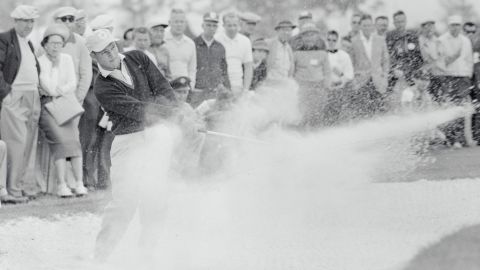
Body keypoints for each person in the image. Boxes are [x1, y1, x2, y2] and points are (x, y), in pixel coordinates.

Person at [86, 29, 179, 261]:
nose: (110, 54)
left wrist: (176, 110)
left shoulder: (138, 57)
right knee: (124, 203)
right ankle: (100, 257)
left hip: (157, 135)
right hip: (129, 141)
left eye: (111, 48)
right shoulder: (102, 87)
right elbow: (138, 110)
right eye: (103, 53)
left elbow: (162, 87)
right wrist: (172, 115)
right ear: (93, 56)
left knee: (155, 197)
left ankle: (147, 256)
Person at [38, 24, 88, 197]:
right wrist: (56, 75)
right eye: (52, 43)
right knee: (59, 142)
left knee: (74, 142)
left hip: (66, 104)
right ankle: (62, 185)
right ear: (44, 44)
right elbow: (48, 87)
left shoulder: (66, 58)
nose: (56, 47)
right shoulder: (40, 61)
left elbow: (72, 82)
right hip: (48, 107)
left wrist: (60, 90)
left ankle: (79, 184)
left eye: (59, 43)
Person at [0, 5, 42, 202]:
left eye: (32, 21)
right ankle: (12, 190)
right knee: (16, 143)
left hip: (33, 95)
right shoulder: (4, 38)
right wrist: (6, 93)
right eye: (25, 20)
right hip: (15, 96)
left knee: (28, 144)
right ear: (15, 21)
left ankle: (22, 187)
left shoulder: (28, 42)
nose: (29, 25)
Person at [438, 15, 474, 148]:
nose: (455, 28)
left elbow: (469, 59)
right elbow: (441, 61)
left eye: (457, 25)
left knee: (460, 109)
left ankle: (458, 138)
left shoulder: (465, 40)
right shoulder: (441, 40)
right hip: (447, 77)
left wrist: (468, 75)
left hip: (463, 77)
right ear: (449, 26)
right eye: (453, 25)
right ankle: (451, 138)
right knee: (449, 107)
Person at [348, 14, 390, 118]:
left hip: (378, 81)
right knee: (363, 112)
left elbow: (386, 60)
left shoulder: (380, 39)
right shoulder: (354, 41)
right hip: (361, 81)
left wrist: (384, 75)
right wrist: (354, 75)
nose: (367, 28)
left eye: (369, 25)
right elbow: (351, 62)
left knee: (379, 111)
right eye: (364, 25)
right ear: (360, 26)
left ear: (372, 26)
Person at [293, 23, 331, 128]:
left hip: (319, 88)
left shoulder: (323, 53)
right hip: (302, 89)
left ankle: (317, 138)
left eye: (312, 35)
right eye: (306, 35)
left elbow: (327, 72)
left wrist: (326, 86)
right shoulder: (296, 54)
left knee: (317, 116)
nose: (309, 38)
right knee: (302, 115)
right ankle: (301, 138)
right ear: (302, 37)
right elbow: (292, 72)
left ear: (316, 37)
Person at [53, 6, 93, 105]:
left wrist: (79, 97)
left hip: (73, 98)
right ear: (56, 21)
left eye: (70, 19)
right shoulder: (46, 40)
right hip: (51, 98)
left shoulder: (81, 42)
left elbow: (86, 73)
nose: (67, 22)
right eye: (63, 19)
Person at [191, 12, 230, 107]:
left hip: (215, 92)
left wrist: (228, 88)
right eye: (208, 25)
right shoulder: (193, 44)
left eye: (214, 26)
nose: (211, 28)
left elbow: (224, 70)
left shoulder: (220, 47)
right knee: (196, 119)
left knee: (213, 119)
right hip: (197, 91)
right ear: (202, 25)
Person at [216, 12, 253, 97]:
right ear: (224, 25)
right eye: (229, 25)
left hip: (238, 85)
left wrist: (246, 89)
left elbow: (248, 67)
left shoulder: (245, 41)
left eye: (235, 25)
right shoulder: (217, 39)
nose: (232, 28)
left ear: (239, 25)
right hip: (220, 86)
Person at [386, 10, 424, 93]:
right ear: (394, 23)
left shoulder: (413, 37)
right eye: (397, 22)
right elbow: (388, 57)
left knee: (417, 92)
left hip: (411, 74)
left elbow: (418, 57)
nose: (400, 24)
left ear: (406, 22)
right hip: (394, 75)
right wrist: (394, 69)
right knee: (389, 94)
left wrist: (411, 70)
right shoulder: (389, 38)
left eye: (402, 21)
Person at [325, 30, 354, 124]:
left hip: (339, 89)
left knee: (335, 114)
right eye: (329, 39)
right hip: (324, 88)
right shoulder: (322, 55)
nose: (331, 42)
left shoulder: (344, 56)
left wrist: (341, 76)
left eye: (334, 40)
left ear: (337, 41)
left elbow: (350, 75)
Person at [164, 8, 197, 87]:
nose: (179, 24)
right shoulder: (162, 40)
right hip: (166, 87)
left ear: (185, 23)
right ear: (169, 23)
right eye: (176, 22)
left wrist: (191, 86)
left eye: (182, 22)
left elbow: (192, 69)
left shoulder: (190, 43)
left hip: (184, 88)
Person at [418, 19, 446, 101]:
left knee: (440, 100)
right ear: (422, 28)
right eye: (427, 27)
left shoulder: (438, 41)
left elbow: (441, 58)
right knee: (425, 100)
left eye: (432, 26)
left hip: (439, 75)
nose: (429, 29)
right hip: (424, 76)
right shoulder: (419, 41)